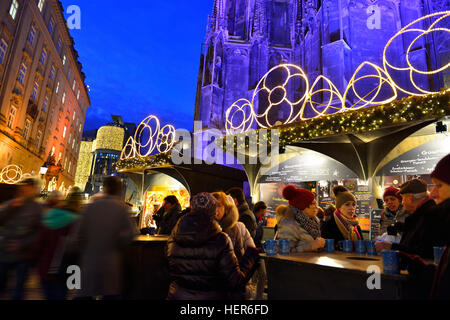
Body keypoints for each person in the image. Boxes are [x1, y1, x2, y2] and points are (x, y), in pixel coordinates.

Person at [166, 192, 260, 300]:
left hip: (178, 296)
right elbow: (234, 282)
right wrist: (250, 258)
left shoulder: (174, 237)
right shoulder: (221, 239)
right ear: (213, 211)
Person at [73, 176, 137, 300]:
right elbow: (131, 234)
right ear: (119, 190)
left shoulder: (90, 206)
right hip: (111, 262)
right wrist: (116, 242)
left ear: (104, 188)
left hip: (90, 260)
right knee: (110, 294)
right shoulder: (122, 208)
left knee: (86, 293)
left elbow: (78, 234)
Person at [36, 187, 83, 300]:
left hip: (45, 267)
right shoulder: (78, 221)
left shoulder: (51, 215)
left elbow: (39, 242)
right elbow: (79, 248)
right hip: (65, 269)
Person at [0, 178, 43, 300]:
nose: (25, 189)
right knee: (2, 283)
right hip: (5, 250)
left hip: (24, 254)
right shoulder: (11, 203)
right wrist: (11, 207)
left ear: (34, 189)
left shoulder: (37, 207)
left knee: (19, 288)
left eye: (29, 187)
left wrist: (23, 243)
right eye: (24, 186)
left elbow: (39, 231)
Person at [375, 179, 436, 260]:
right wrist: (401, 227)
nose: (402, 202)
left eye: (403, 198)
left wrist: (391, 246)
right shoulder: (420, 214)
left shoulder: (429, 215)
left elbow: (422, 251)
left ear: (410, 198)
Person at [275, 185, 325, 252]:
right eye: (311, 204)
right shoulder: (289, 224)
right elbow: (284, 251)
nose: (315, 207)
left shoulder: (313, 222)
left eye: (315, 203)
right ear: (301, 206)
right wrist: (311, 246)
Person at [212, 192, 255, 262]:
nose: (215, 209)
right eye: (213, 205)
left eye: (219, 205)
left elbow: (239, 255)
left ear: (226, 209)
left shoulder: (234, 228)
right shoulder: (204, 227)